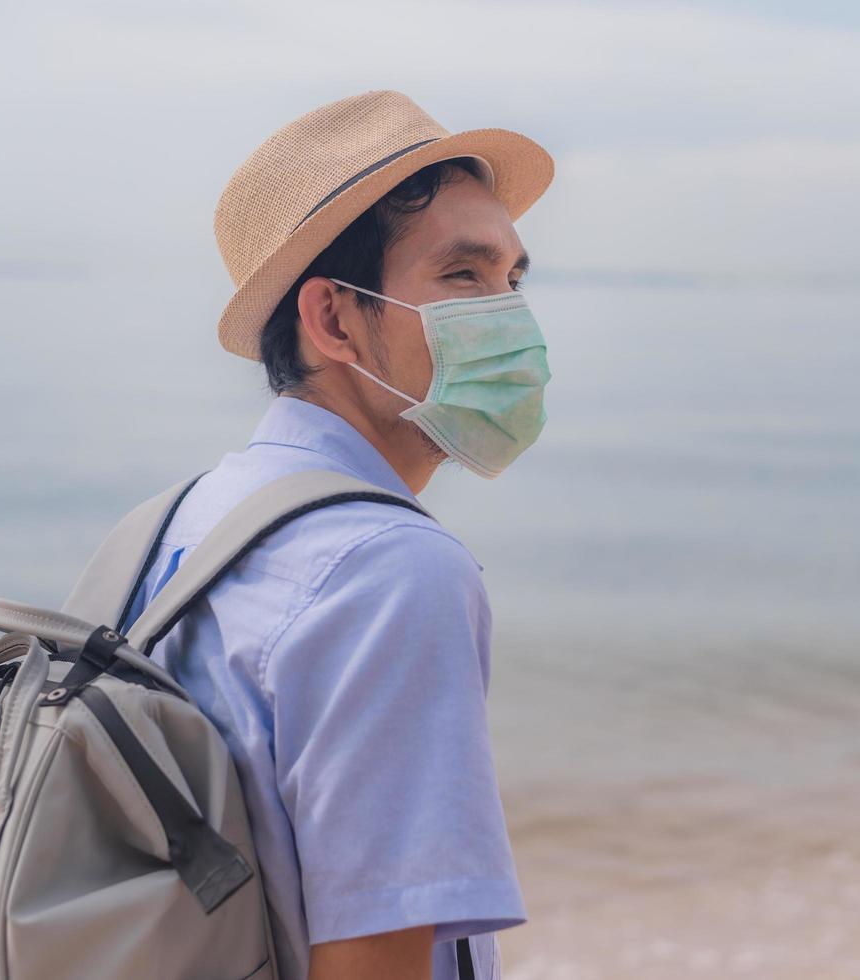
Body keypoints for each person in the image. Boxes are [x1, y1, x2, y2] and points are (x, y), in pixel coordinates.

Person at [120, 90, 555, 980]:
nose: (509, 319)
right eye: (462, 277)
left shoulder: (182, 522)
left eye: (512, 278)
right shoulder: (390, 570)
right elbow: (373, 958)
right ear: (332, 320)